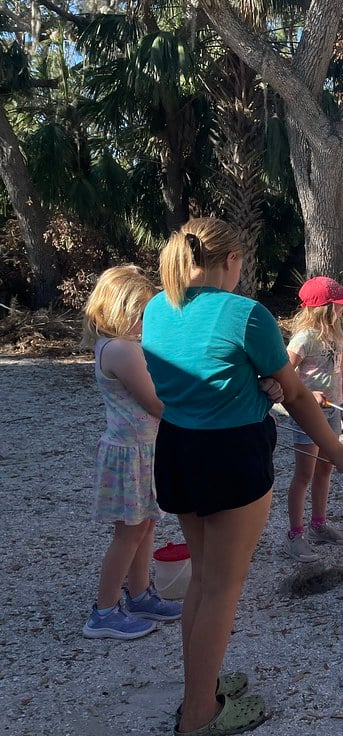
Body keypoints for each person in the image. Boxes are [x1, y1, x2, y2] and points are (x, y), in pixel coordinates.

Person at [142, 217, 343, 736]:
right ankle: (200, 715)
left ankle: (204, 686)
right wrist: (338, 451)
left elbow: (192, 375)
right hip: (231, 454)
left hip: (176, 448)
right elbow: (302, 394)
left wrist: (260, 385)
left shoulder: (156, 308)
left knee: (203, 578)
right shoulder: (247, 315)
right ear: (232, 260)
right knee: (221, 588)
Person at [81, 265, 182, 640]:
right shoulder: (121, 349)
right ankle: (104, 611)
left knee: (146, 525)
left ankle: (140, 594)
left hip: (143, 449)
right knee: (129, 532)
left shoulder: (122, 346)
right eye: (140, 312)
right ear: (119, 309)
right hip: (131, 453)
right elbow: (156, 403)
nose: (145, 321)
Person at [282, 276, 343, 562]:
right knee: (304, 474)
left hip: (333, 411)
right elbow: (285, 373)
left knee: (326, 470)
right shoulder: (304, 337)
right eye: (338, 305)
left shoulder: (338, 336)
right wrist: (308, 393)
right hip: (308, 414)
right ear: (324, 308)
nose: (342, 309)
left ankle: (318, 524)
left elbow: (340, 375)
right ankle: (295, 534)